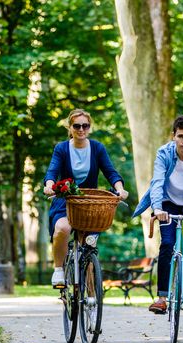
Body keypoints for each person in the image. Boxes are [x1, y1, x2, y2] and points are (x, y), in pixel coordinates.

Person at [132, 114, 183, 313]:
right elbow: (157, 181)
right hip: (168, 203)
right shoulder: (164, 153)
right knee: (167, 244)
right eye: (180, 136)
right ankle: (161, 297)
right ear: (173, 136)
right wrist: (158, 208)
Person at [43, 109, 129, 287]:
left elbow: (110, 172)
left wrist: (120, 189)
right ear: (70, 127)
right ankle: (59, 269)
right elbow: (52, 171)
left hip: (89, 203)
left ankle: (91, 295)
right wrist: (50, 185)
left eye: (85, 125)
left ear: (89, 127)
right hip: (66, 200)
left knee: (89, 247)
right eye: (77, 126)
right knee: (62, 228)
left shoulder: (97, 148)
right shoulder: (62, 148)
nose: (81, 129)